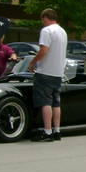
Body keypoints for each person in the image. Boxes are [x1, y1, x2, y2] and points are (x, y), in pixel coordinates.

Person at [28, 9, 68, 142]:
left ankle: (47, 131)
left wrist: (32, 62)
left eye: (42, 19)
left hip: (45, 71)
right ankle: (57, 131)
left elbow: (44, 50)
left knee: (46, 102)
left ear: (45, 18)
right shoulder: (62, 31)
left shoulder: (46, 31)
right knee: (56, 102)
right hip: (58, 72)